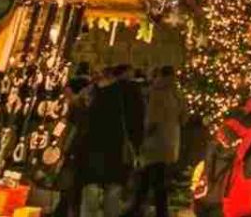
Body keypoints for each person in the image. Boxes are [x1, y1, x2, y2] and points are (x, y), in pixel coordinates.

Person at [76, 65, 145, 217]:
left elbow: (80, 118)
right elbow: (137, 123)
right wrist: (137, 147)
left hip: (92, 148)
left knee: (91, 192)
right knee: (113, 193)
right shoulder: (130, 92)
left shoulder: (93, 91)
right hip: (116, 149)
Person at [140, 66, 181, 217]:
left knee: (151, 176)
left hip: (156, 141)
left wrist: (144, 136)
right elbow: (184, 116)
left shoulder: (156, 92)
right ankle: (157, 210)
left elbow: (152, 119)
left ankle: (142, 208)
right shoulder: (174, 93)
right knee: (158, 177)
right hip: (168, 141)